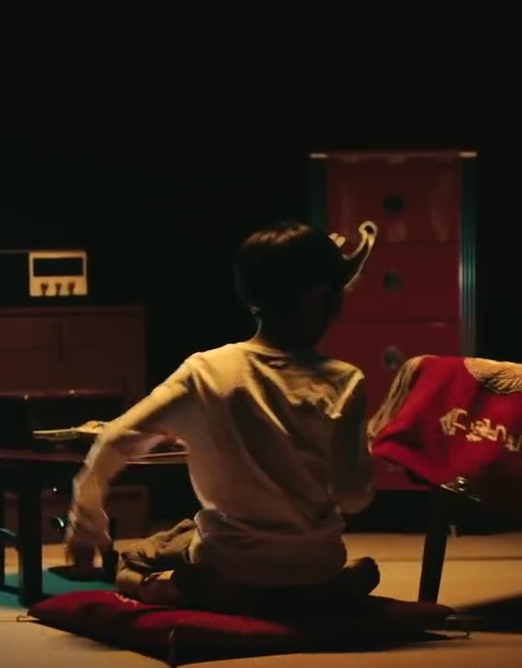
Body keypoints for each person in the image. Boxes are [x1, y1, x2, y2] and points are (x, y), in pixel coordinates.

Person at [64, 221, 380, 614]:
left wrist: (86, 523)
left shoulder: (206, 371)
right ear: (322, 297)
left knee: (136, 558)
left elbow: (113, 439)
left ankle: (183, 589)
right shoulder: (346, 381)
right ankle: (320, 593)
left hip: (229, 564)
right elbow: (353, 498)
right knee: (352, 571)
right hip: (317, 566)